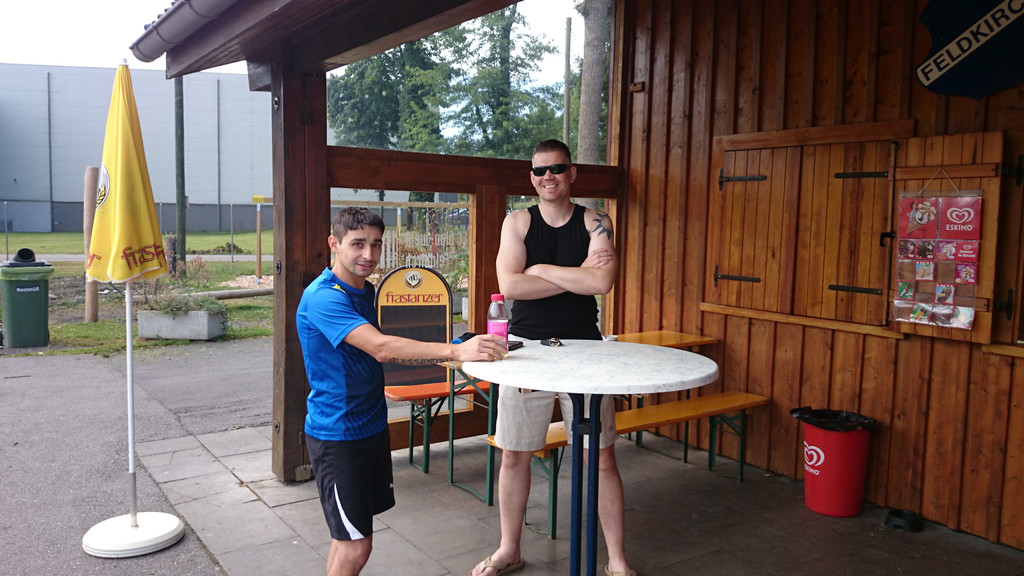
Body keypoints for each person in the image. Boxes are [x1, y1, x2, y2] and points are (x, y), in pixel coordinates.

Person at [297, 206, 506, 576]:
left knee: (348, 538)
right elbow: (380, 348)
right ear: (334, 244)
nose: (369, 254)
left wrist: (458, 344)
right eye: (357, 244)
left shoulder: (364, 290)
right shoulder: (324, 297)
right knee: (356, 545)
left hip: (369, 426)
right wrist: (454, 352)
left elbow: (386, 347)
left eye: (376, 244)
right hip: (339, 435)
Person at [471, 139, 633, 576]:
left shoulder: (596, 221)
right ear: (531, 177)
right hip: (526, 352)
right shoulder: (517, 222)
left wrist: (539, 270)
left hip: (585, 351)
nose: (549, 177)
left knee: (600, 456)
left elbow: (601, 283)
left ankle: (617, 560)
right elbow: (511, 286)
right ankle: (509, 549)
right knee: (514, 454)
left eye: (557, 169)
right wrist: (577, 275)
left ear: (572, 173)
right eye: (540, 170)